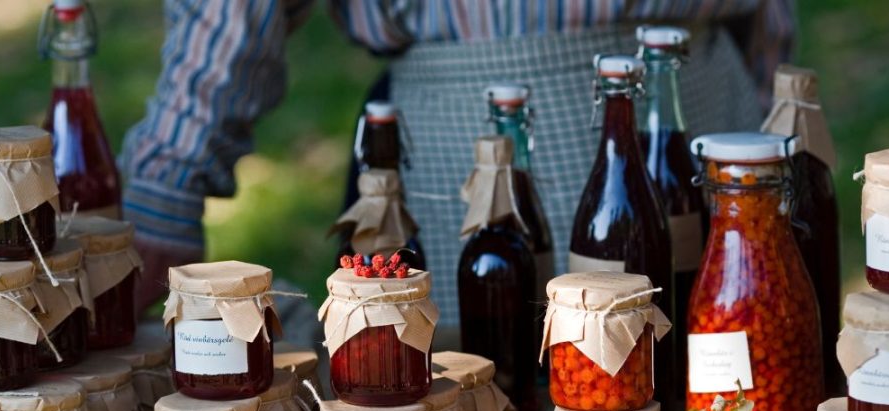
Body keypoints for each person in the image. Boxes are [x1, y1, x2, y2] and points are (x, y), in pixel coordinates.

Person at [120, 0, 794, 330]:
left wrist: (770, 128)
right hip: (454, 151)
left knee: (717, 405)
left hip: (707, 116)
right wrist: (169, 179)